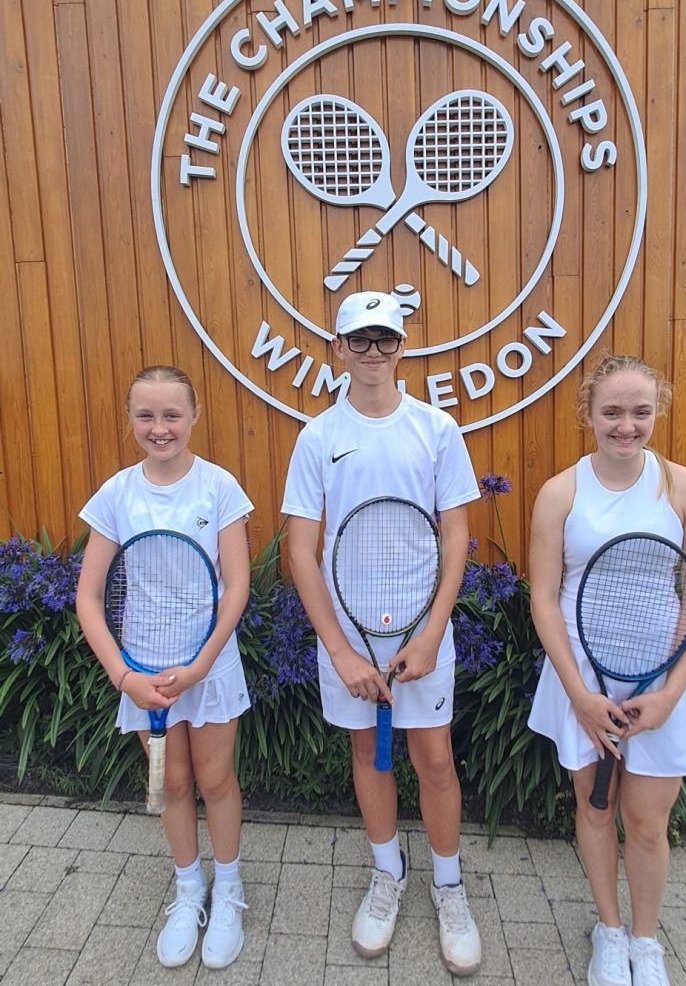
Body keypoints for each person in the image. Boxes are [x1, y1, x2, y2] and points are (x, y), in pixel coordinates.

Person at [281, 291, 482, 977]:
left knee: (433, 762)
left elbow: (456, 538)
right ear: (337, 349)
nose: (372, 351)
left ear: (403, 346)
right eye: (359, 340)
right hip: (350, 642)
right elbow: (300, 551)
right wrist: (339, 650)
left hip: (422, 636)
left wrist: (430, 635)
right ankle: (387, 873)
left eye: (384, 339)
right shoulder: (317, 437)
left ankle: (449, 886)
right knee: (369, 756)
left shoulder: (437, 429)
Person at [527, 355, 686, 986]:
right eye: (612, 412)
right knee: (596, 809)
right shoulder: (560, 492)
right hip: (582, 679)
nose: (627, 426)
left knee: (646, 820)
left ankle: (645, 941)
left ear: (657, 410)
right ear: (588, 413)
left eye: (640, 411)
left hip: (662, 683)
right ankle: (608, 930)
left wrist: (670, 692)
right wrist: (579, 694)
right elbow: (545, 599)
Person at [75, 366, 253, 971]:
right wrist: (125, 677)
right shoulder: (116, 494)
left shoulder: (220, 487)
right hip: (144, 672)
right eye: (146, 416)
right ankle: (188, 892)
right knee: (170, 784)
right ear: (130, 421)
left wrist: (203, 663)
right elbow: (88, 598)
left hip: (210, 665)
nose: (160, 428)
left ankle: (228, 892)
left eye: (172, 415)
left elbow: (236, 586)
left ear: (194, 416)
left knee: (215, 779)